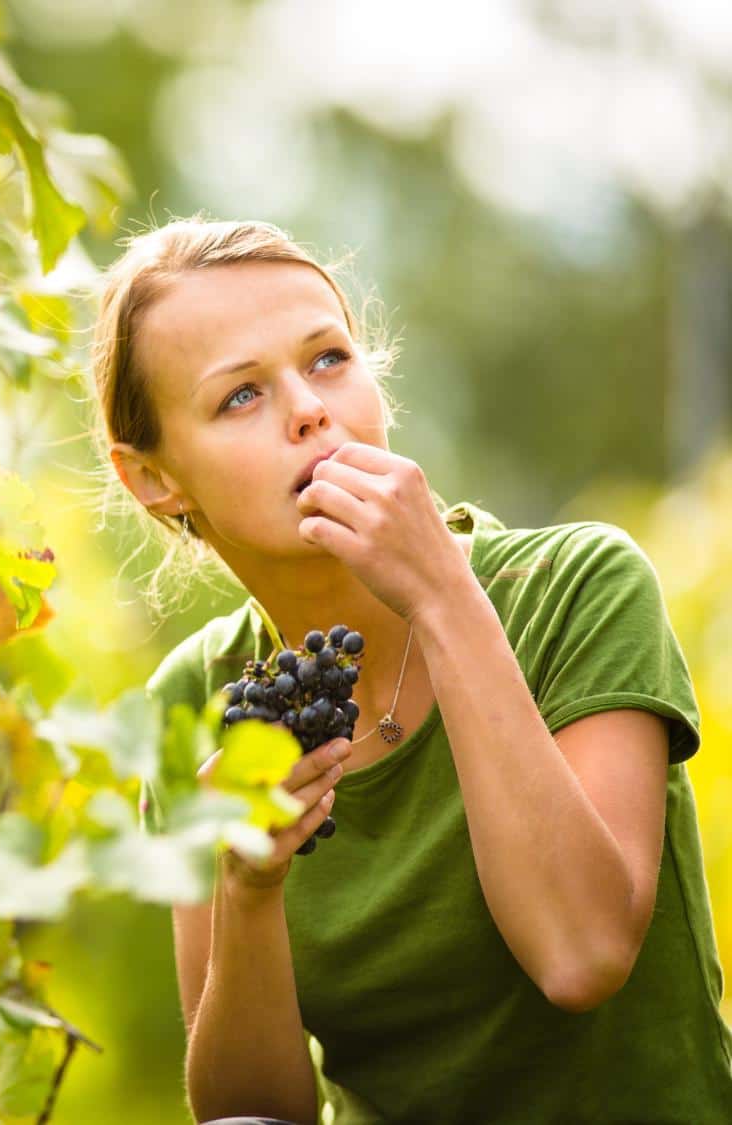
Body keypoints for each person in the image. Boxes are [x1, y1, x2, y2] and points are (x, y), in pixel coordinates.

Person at [89, 216, 732, 1124]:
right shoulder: (197, 702)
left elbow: (581, 955)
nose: (309, 408)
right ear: (152, 479)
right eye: (240, 396)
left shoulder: (580, 586)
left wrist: (441, 593)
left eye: (327, 359)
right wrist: (248, 886)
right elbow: (249, 1113)